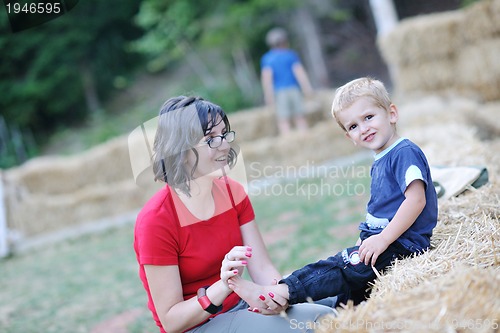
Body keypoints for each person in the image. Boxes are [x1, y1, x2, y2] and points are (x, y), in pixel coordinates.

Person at [228, 77, 438, 310]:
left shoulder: (404, 152)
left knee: (341, 267)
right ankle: (341, 316)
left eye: (368, 117)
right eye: (353, 126)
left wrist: (383, 239)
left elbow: (416, 200)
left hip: (403, 245)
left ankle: (284, 291)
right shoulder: (382, 157)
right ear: (350, 138)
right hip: (385, 242)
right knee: (353, 287)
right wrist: (367, 237)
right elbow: (382, 206)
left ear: (392, 114)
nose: (364, 128)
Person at [133, 96, 333, 333]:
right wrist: (225, 285)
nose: (225, 145)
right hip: (198, 326)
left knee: (332, 300)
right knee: (319, 320)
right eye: (210, 139)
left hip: (240, 306)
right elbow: (171, 320)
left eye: (224, 134)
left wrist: (275, 295)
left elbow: (262, 268)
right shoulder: (156, 220)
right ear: (181, 150)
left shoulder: (233, 192)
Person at [261, 27, 313, 135]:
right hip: (294, 89)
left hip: (279, 93)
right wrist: (307, 88)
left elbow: (267, 79)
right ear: (284, 41)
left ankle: (288, 139)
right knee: (300, 117)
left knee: (283, 120)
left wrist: (268, 96)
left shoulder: (267, 58)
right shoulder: (290, 55)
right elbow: (300, 73)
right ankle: (305, 137)